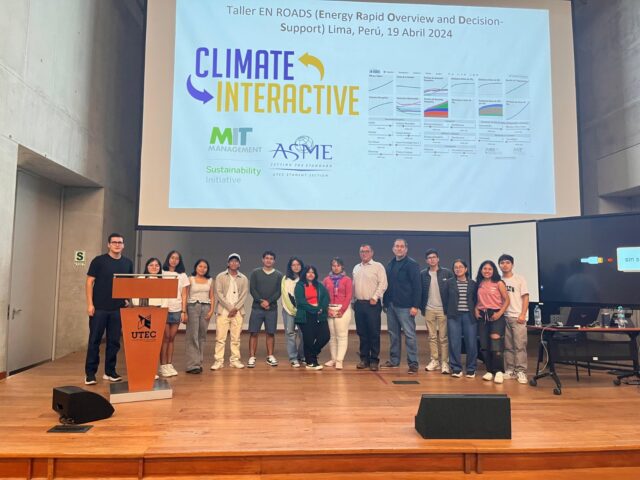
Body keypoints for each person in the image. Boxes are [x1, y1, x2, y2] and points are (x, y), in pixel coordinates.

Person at [84, 233, 133, 385]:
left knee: (114, 342)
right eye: (114, 242)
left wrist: (127, 299)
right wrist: (90, 304)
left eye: (120, 242)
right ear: (108, 245)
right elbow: (89, 282)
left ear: (123, 245)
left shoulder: (127, 263)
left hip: (117, 309)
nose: (117, 245)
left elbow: (128, 284)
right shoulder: (98, 261)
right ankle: (90, 374)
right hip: (99, 308)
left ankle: (110, 372)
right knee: (94, 341)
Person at [382, 239, 422, 374]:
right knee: (393, 334)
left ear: (406, 249)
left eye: (402, 246)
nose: (399, 249)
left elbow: (417, 286)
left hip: (406, 306)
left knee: (410, 335)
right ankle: (394, 361)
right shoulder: (390, 264)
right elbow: (387, 285)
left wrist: (415, 305)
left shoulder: (412, 264)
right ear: (393, 249)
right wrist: (385, 303)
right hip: (391, 305)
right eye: (397, 246)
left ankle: (413, 363)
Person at [352, 244, 387, 371]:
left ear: (372, 253)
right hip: (359, 304)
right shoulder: (356, 267)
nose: (364, 253)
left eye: (367, 251)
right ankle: (364, 359)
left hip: (372, 304)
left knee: (373, 333)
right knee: (362, 333)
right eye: (362, 251)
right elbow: (353, 285)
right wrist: (353, 300)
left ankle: (374, 360)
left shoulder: (378, 266)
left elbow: (383, 284)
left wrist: (375, 297)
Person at [474, 260, 510, 384]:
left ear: (493, 270)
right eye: (484, 269)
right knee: (484, 345)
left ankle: (499, 371)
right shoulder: (479, 283)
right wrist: (476, 309)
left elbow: (507, 300)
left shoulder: (499, 283)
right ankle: (489, 370)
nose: (487, 271)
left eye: (489, 269)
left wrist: (499, 313)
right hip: (482, 315)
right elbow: (478, 300)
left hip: (496, 314)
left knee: (496, 344)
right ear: (481, 270)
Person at [211, 253, 249, 370]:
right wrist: (229, 308)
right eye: (232, 261)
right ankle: (218, 361)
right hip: (223, 311)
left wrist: (235, 308)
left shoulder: (243, 278)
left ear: (239, 264)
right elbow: (219, 293)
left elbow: (244, 295)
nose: (234, 263)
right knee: (220, 338)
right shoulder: (220, 276)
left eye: (236, 261)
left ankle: (235, 360)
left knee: (236, 338)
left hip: (238, 312)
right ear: (228, 263)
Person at [420, 248, 454, 374]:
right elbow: (420, 291)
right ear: (426, 261)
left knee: (443, 337)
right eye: (429, 258)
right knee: (432, 337)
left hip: (443, 310)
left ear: (438, 259)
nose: (432, 259)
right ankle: (434, 360)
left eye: (434, 257)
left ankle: (445, 362)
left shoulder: (447, 273)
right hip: (429, 309)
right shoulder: (423, 274)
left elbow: (452, 290)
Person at [499, 254, 530, 384]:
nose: (505, 265)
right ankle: (510, 370)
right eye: (502, 263)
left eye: (507, 262)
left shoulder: (519, 279)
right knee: (508, 346)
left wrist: (523, 314)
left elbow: (525, 297)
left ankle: (521, 371)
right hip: (504, 317)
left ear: (512, 264)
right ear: (499, 265)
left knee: (520, 346)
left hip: (518, 317)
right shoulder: (499, 280)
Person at [248, 251, 283, 368]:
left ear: (274, 261)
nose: (269, 260)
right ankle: (252, 357)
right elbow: (252, 289)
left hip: (271, 309)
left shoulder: (279, 275)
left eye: (271, 258)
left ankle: (270, 356)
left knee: (270, 333)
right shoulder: (255, 273)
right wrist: (261, 301)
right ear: (262, 260)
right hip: (257, 308)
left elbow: (279, 291)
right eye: (266, 258)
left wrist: (269, 302)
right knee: (254, 332)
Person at [444, 259, 477, 378]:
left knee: (471, 342)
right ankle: (456, 368)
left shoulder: (473, 283)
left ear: (466, 269)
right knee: (454, 342)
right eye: (456, 267)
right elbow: (445, 299)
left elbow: (476, 299)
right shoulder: (449, 283)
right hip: (454, 316)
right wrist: (448, 312)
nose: (458, 269)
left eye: (461, 267)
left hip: (469, 316)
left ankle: (471, 368)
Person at [160, 250, 190, 377]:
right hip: (163, 309)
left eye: (177, 258)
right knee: (165, 338)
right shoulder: (162, 273)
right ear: (168, 258)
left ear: (179, 261)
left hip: (176, 309)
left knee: (172, 338)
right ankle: (162, 365)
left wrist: (183, 311)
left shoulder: (182, 275)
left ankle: (169, 364)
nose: (174, 260)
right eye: (172, 257)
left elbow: (184, 295)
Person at [294, 265, 330, 370]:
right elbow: (301, 302)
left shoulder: (319, 285)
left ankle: (312, 355)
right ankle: (310, 362)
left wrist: (321, 308)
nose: (311, 274)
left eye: (313, 272)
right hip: (305, 315)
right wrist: (315, 309)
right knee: (309, 339)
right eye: (308, 272)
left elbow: (326, 298)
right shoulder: (299, 286)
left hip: (320, 315)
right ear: (304, 274)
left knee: (325, 336)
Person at [322, 257, 353, 370]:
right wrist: (327, 309)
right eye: (334, 265)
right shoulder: (326, 280)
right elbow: (323, 296)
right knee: (332, 336)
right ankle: (333, 359)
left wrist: (341, 310)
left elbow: (349, 296)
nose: (336, 268)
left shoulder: (347, 280)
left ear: (342, 267)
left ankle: (340, 360)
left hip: (342, 310)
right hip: (330, 309)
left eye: (338, 265)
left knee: (342, 336)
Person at [185, 259, 214, 374]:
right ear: (196, 267)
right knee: (193, 335)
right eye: (200, 266)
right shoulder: (190, 279)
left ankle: (199, 362)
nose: (202, 269)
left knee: (202, 336)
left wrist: (211, 311)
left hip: (206, 307)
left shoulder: (210, 280)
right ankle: (192, 365)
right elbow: (185, 295)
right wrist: (184, 311)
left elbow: (212, 296)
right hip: (193, 307)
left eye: (205, 267)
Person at [281, 256, 305, 367]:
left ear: (301, 266)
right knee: (290, 334)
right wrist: (292, 309)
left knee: (304, 334)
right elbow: (286, 296)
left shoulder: (305, 279)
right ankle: (293, 358)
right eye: (293, 265)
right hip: (288, 310)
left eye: (298, 264)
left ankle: (302, 355)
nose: (296, 267)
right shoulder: (285, 279)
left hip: (303, 311)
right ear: (290, 267)